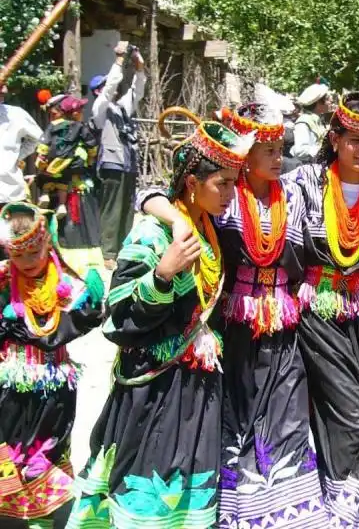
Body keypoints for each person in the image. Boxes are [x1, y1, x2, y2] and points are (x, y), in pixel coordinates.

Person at [137, 103, 328, 528]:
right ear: (245, 154)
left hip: (283, 325)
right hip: (235, 328)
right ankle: (242, 513)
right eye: (269, 149)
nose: (279, 157)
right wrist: (176, 222)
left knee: (288, 412)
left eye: (282, 148)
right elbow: (149, 194)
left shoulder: (294, 193)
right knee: (239, 417)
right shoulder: (223, 195)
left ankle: (293, 514)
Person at [67, 120, 250, 529]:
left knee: (188, 495)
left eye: (234, 183)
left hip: (196, 388)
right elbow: (118, 319)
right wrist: (162, 276)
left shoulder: (208, 229)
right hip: (153, 391)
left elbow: (151, 196)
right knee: (147, 490)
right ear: (191, 182)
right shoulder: (153, 235)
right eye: (222, 183)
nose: (230, 194)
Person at [285, 92, 359, 528]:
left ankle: (349, 507)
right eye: (354, 141)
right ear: (335, 139)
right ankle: (343, 512)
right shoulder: (305, 181)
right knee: (354, 421)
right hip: (318, 314)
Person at [0, 203, 104, 526]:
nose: (28, 263)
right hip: (11, 386)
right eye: (20, 256)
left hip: (55, 384)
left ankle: (45, 512)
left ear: (48, 244)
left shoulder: (66, 282)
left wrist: (92, 302)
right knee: (11, 446)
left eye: (35, 253)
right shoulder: (4, 283)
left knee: (49, 447)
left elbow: (89, 316)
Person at [91, 41, 146, 271]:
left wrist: (139, 68)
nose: (112, 88)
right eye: (105, 86)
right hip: (112, 162)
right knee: (112, 209)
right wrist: (119, 61)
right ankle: (109, 252)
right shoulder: (99, 109)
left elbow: (137, 92)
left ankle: (124, 248)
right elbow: (111, 86)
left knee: (127, 208)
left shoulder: (121, 107)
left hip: (128, 162)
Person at [37, 94, 104, 276]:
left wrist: (42, 158)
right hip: (72, 182)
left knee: (50, 185)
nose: (82, 113)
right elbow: (92, 147)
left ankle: (47, 196)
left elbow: (42, 146)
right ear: (73, 113)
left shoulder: (52, 128)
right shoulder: (79, 129)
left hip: (55, 173)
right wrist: (89, 158)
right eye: (79, 110)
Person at [0, 84, 43, 209]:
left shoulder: (16, 114)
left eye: (4, 85)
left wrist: (17, 157)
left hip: (10, 192)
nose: (4, 90)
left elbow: (37, 138)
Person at [290, 83, 331, 163]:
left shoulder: (318, 119)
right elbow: (300, 151)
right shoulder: (304, 121)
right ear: (318, 103)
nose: (330, 102)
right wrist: (325, 149)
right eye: (327, 99)